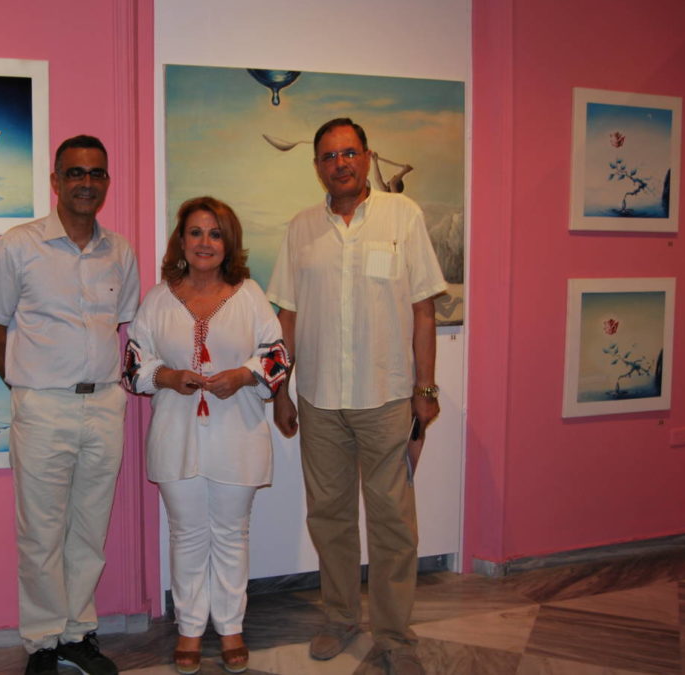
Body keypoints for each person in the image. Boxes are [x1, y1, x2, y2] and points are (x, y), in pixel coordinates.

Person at [267, 118, 446, 675]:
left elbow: (423, 309)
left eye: (348, 153)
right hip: (319, 399)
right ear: (316, 166)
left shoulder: (403, 216)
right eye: (328, 156)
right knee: (330, 518)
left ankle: (394, 634)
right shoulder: (301, 228)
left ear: (367, 158)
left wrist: (425, 389)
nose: (339, 163)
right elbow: (288, 316)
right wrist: (280, 391)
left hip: (387, 398)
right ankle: (341, 618)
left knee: (393, 523)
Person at [0, 135, 140, 675]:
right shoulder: (19, 246)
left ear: (107, 182)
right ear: (55, 181)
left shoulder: (120, 252)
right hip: (42, 406)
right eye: (75, 173)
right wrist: (24, 384)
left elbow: (123, 324)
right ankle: (43, 642)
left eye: (96, 173)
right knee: (41, 531)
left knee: (90, 528)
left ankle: (77, 633)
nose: (86, 183)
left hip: (104, 404)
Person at [122, 196, 289, 675]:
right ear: (181, 240)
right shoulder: (158, 298)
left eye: (215, 234)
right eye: (195, 232)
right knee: (187, 534)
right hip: (175, 437)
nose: (205, 242)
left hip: (238, 434)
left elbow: (277, 357)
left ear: (228, 243)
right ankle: (191, 628)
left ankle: (231, 625)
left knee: (232, 534)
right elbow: (133, 366)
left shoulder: (250, 295)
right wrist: (167, 377)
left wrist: (244, 375)